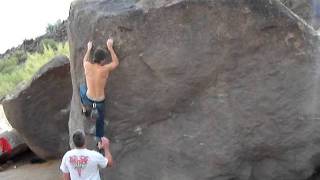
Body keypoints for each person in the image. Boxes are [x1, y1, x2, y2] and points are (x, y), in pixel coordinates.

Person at [80, 38, 119, 142]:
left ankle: (84, 109)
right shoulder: (104, 69)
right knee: (100, 122)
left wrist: (88, 49)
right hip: (99, 102)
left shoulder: (87, 66)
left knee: (82, 88)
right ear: (102, 60)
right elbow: (116, 62)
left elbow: (84, 60)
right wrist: (110, 47)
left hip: (88, 99)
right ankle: (99, 141)